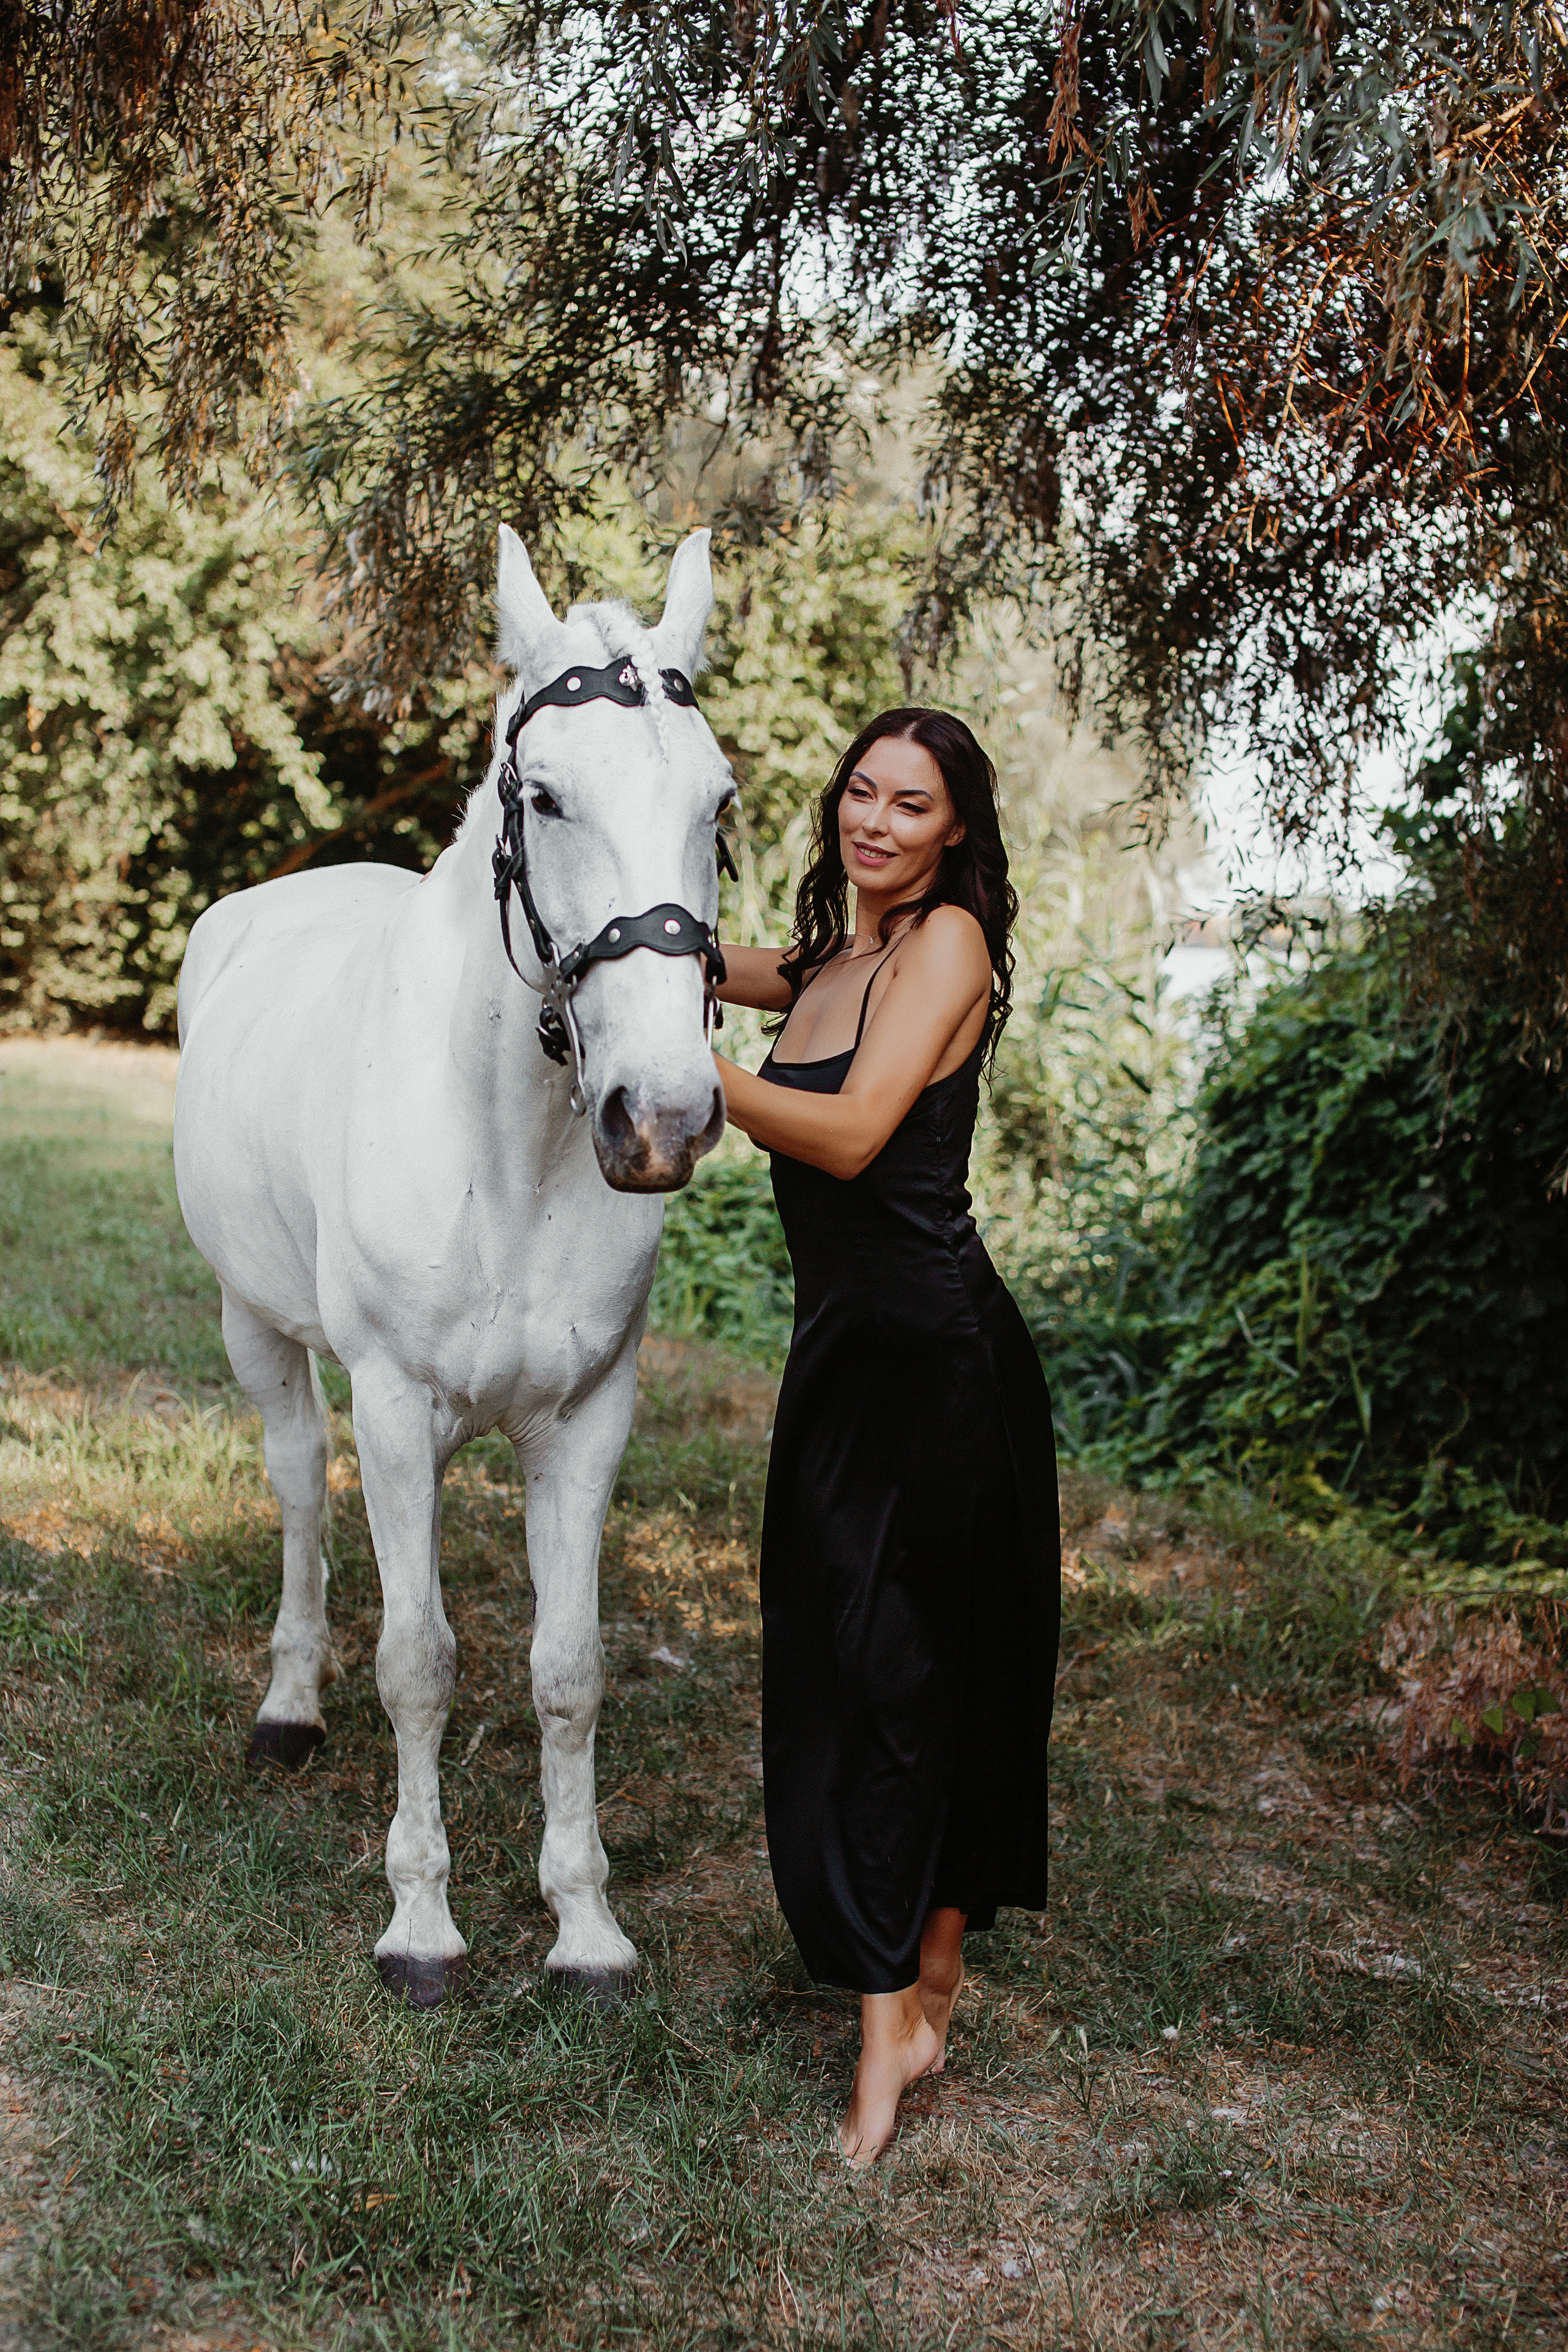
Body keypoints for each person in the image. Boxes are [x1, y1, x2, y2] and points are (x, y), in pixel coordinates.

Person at [712, 707, 1061, 2166]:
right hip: (844, 1365)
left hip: (941, 1368)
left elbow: (852, 1134)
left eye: (908, 804)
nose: (872, 819)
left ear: (954, 829)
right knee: (861, 1660)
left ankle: (886, 2039)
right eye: (858, 791)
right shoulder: (830, 960)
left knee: (901, 1675)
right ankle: (923, 1991)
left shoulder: (944, 951)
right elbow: (685, 954)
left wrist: (687, 1079)